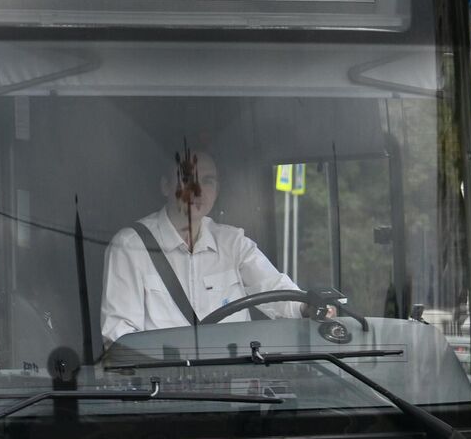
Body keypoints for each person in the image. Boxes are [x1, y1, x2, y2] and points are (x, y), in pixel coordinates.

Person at [100, 147, 318, 343]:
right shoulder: (129, 246)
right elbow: (119, 338)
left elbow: (275, 289)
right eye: (187, 179)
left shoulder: (233, 243)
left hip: (236, 380)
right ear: (166, 186)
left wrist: (307, 307)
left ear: (217, 190)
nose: (197, 190)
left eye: (208, 181)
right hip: (164, 382)